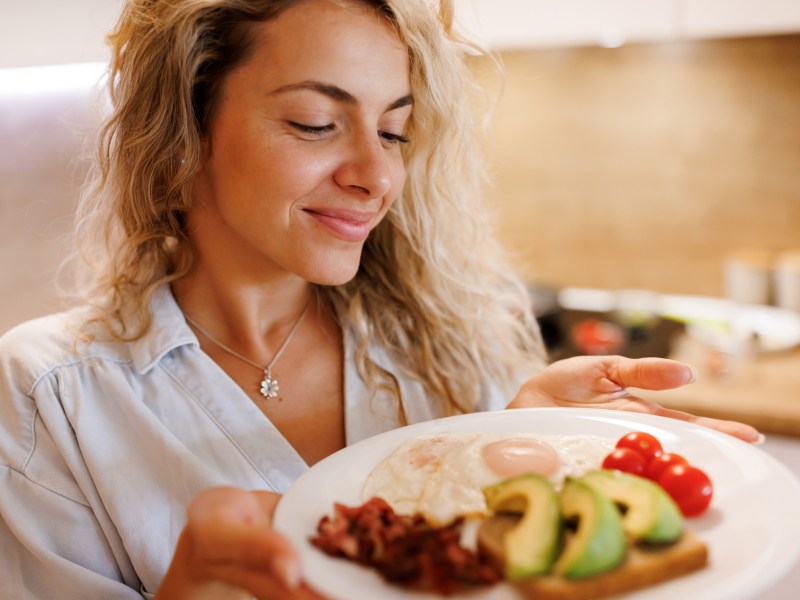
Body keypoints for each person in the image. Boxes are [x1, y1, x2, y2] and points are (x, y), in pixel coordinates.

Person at [0, 0, 759, 598]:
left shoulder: (452, 338)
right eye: (316, 123)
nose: (377, 175)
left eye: (393, 131)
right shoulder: (50, 393)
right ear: (184, 133)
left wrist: (525, 445)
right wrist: (194, 589)